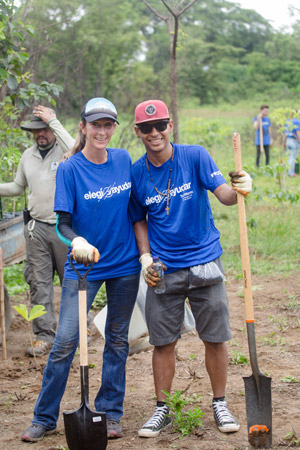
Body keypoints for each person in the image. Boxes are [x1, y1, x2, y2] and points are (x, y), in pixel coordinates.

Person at [129, 99, 252, 438]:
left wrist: (241, 186)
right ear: (137, 132)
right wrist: (145, 258)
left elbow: (224, 194)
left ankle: (220, 403)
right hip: (163, 268)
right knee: (163, 342)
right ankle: (162, 410)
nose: (155, 133)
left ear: (171, 126)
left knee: (215, 337)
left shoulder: (195, 156)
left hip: (204, 262)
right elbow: (139, 219)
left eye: (161, 125)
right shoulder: (137, 173)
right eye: (146, 128)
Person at [21, 98, 140, 443]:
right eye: (95, 125)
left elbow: (135, 212)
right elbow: (62, 224)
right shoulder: (70, 168)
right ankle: (44, 418)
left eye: (108, 125)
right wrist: (77, 242)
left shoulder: (121, 160)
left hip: (124, 265)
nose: (101, 131)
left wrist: (146, 256)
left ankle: (110, 412)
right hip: (84, 267)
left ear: (113, 129)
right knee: (64, 342)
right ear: (83, 127)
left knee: (117, 340)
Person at [0, 106, 74, 356]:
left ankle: (77, 328)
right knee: (39, 283)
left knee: (72, 281)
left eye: (44, 129)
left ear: (52, 129)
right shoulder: (27, 156)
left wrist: (54, 121)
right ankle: (44, 335)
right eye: (36, 130)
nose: (40, 134)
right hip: (36, 228)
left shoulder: (65, 152)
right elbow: (18, 187)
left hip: (65, 227)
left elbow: (77, 149)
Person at [283, 112, 300, 177]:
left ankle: (287, 172)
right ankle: (291, 173)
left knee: (288, 157)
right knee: (292, 158)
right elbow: (298, 133)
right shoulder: (297, 122)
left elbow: (284, 133)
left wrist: (284, 142)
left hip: (288, 140)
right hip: (294, 141)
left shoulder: (287, 121)